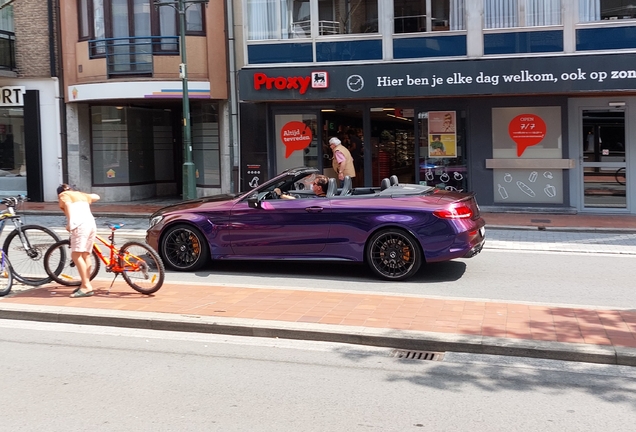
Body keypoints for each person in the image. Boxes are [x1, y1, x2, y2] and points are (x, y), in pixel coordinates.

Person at [57, 184, 101, 298]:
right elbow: (96, 196)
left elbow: (67, 204)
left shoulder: (64, 194)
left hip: (80, 226)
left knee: (76, 256)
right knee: (86, 255)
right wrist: (82, 194)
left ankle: (86, 286)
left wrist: (70, 223)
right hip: (91, 224)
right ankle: (85, 284)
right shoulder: (80, 195)